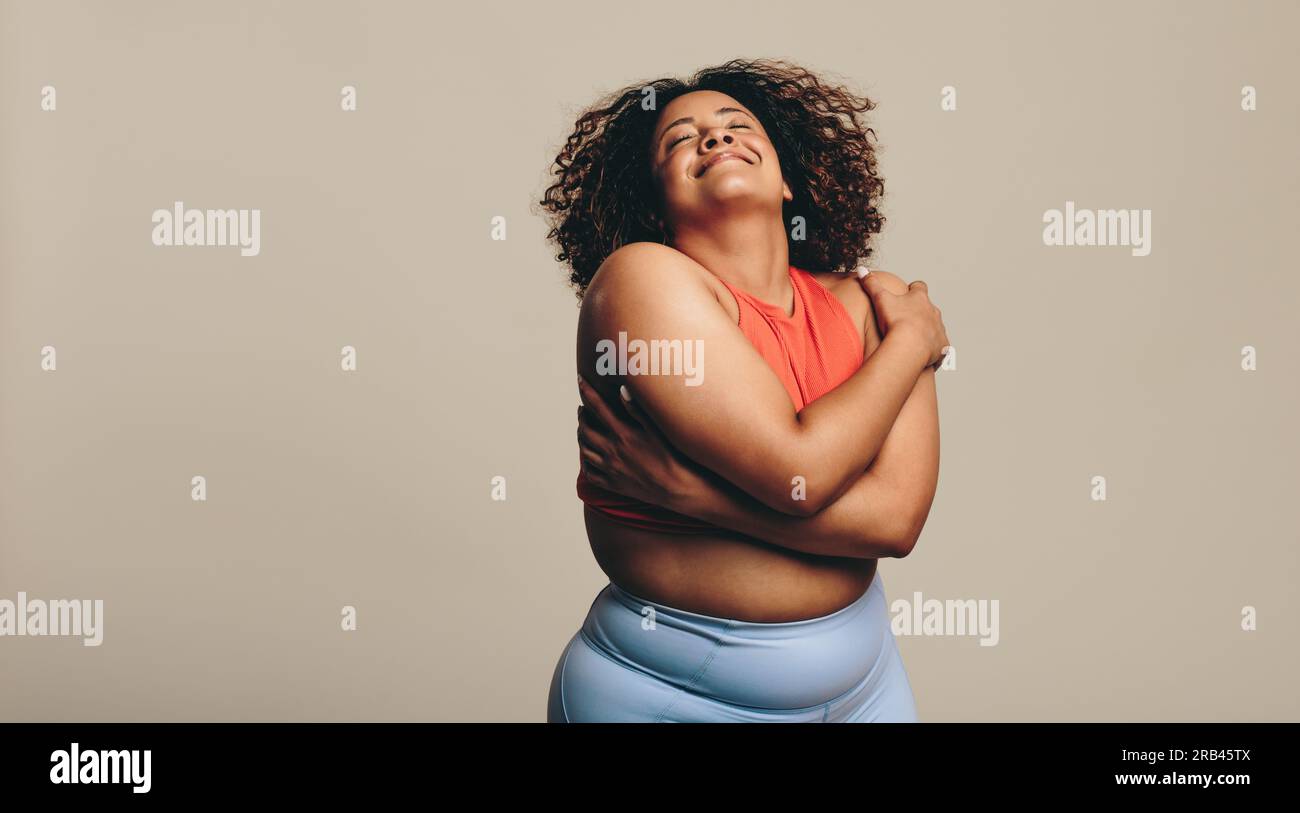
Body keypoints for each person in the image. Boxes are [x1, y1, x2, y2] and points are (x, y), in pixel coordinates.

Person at [536, 58, 948, 722]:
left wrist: (690, 495)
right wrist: (913, 343)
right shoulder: (641, 281)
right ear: (654, 203)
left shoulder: (872, 302)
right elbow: (801, 471)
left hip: (863, 691)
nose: (715, 138)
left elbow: (896, 522)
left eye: (737, 125)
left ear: (790, 180)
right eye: (679, 140)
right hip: (666, 696)